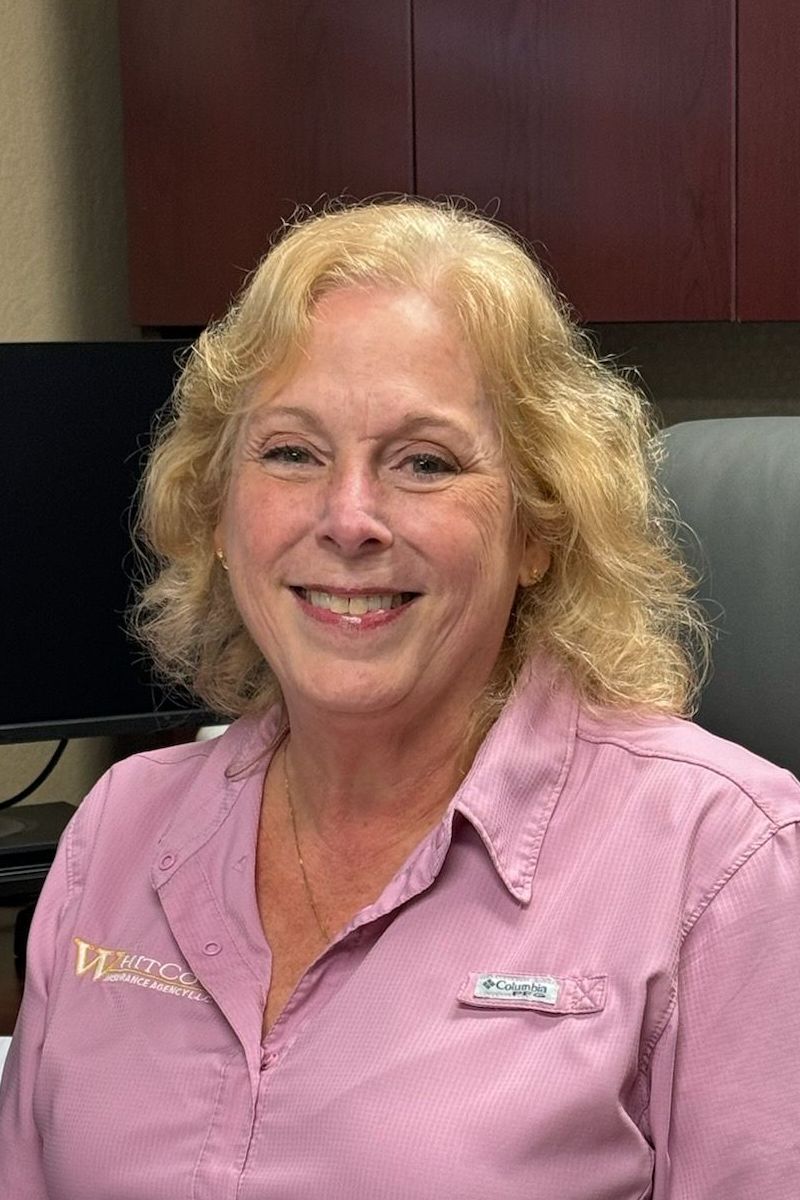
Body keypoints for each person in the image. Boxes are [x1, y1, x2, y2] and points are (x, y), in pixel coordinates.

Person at [1, 200, 798, 1199]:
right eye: (291, 452)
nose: (349, 520)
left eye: (425, 462)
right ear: (217, 509)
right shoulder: (119, 830)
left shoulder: (722, 863)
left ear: (539, 526)